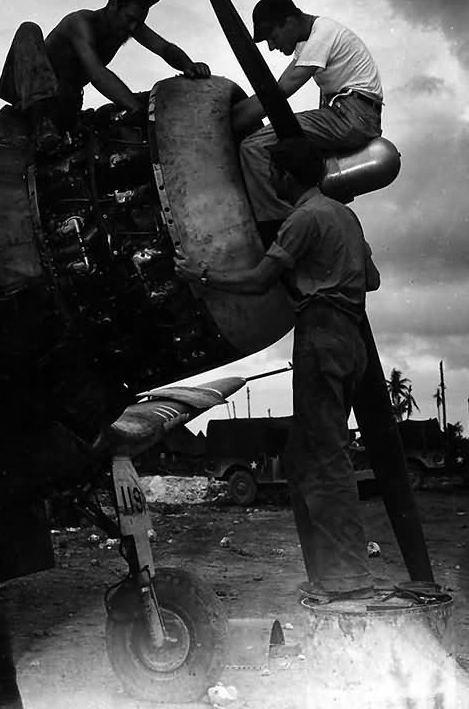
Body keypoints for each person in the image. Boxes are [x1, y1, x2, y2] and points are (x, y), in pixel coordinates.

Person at [175, 136, 381, 603]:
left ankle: (347, 580)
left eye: (272, 172)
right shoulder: (344, 215)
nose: (268, 180)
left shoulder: (303, 219)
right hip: (352, 339)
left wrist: (200, 275)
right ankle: (332, 576)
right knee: (311, 457)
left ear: (288, 176)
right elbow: (372, 279)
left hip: (322, 333)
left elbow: (258, 280)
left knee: (325, 458)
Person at [0, 0, 210, 146]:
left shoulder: (127, 26)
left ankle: (0, 121)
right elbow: (96, 72)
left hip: (65, 100)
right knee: (29, 30)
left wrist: (188, 64)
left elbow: (163, 47)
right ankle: (36, 117)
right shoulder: (79, 23)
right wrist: (133, 107)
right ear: (112, 5)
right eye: (130, 19)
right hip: (28, 86)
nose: (132, 28)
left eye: (138, 22)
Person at [233, 0, 383, 239]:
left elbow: (280, 92)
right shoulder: (311, 41)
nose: (271, 46)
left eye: (273, 36)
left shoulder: (321, 36)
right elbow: (277, 86)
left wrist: (233, 119)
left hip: (350, 116)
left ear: (290, 22)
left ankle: (280, 230)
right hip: (353, 114)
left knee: (254, 146)